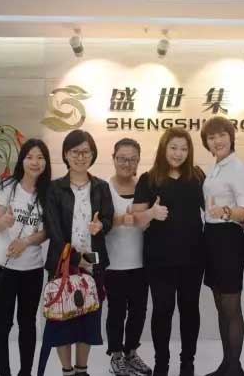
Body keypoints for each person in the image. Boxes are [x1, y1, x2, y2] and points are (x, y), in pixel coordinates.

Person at [38, 130, 114, 376]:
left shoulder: (101, 187)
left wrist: (101, 225)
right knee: (62, 317)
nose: (80, 157)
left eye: (85, 152)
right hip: (62, 263)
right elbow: (53, 229)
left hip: (93, 264)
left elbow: (108, 219)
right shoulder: (54, 189)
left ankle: (82, 370)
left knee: (88, 319)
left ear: (93, 155)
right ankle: (67, 370)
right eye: (75, 152)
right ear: (66, 154)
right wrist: (75, 258)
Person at [132, 127, 205, 376]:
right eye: (173, 147)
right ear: (164, 148)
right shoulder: (149, 179)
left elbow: (214, 205)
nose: (178, 153)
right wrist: (151, 213)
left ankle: (188, 363)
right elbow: (137, 220)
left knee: (189, 310)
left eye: (184, 149)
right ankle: (161, 364)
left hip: (193, 258)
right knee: (162, 311)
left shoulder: (197, 176)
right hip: (159, 259)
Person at [0, 138, 52, 376]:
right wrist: (4, 221)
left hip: (32, 268)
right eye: (30, 157)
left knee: (28, 323)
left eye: (40, 157)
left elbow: (47, 231)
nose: (35, 162)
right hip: (2, 266)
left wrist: (25, 241)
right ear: (22, 160)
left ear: (46, 162)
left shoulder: (49, 192)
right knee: (2, 324)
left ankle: (26, 372)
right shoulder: (6, 186)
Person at [200, 117, 244, 376]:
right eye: (211, 137)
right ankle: (228, 364)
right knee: (221, 305)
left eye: (221, 135)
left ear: (231, 137)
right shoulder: (216, 168)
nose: (217, 141)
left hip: (229, 241)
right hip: (212, 238)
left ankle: (233, 368)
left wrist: (227, 211)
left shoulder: (237, 168)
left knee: (231, 307)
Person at [105, 138, 152, 376]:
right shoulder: (104, 187)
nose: (127, 163)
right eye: (122, 158)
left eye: (132, 159)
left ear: (138, 161)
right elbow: (100, 222)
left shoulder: (145, 186)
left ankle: (131, 352)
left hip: (142, 262)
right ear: (113, 159)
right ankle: (116, 355)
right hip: (113, 263)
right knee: (116, 312)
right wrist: (121, 219)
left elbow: (151, 218)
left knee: (138, 312)